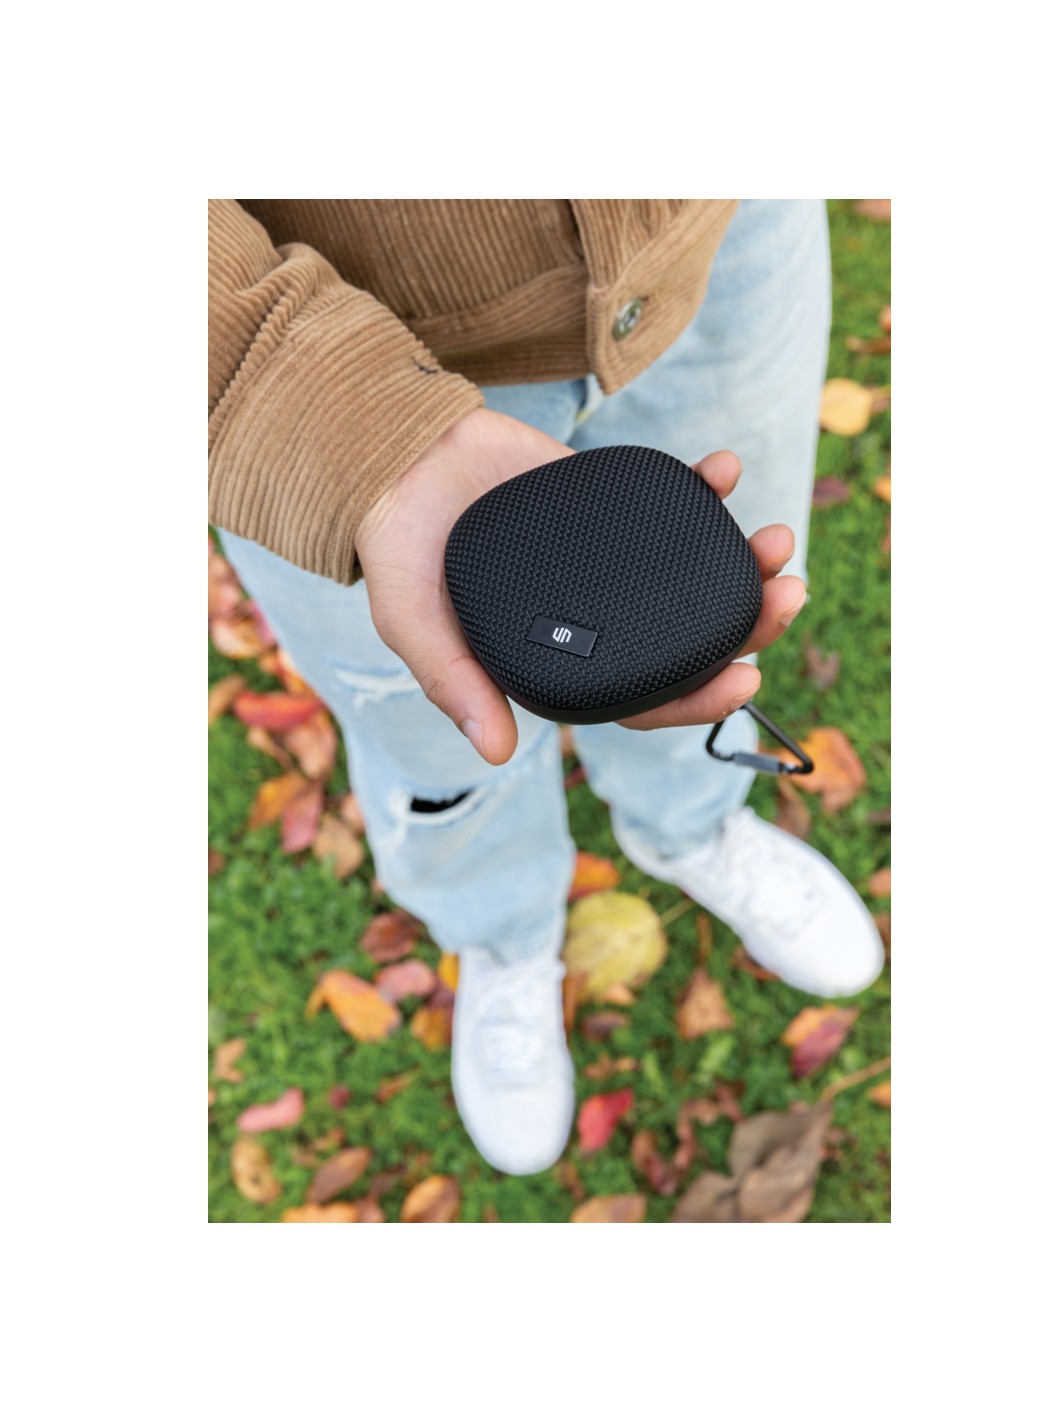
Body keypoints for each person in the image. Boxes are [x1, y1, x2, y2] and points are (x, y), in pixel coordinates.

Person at [209, 199, 884, 1176]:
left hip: (708, 231)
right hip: (322, 338)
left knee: (712, 632)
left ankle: (691, 826)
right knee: (436, 738)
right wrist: (318, 402)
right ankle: (503, 933)